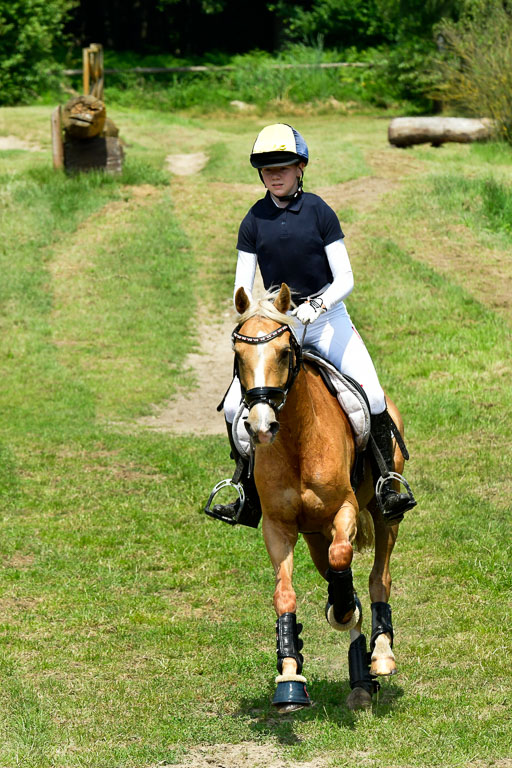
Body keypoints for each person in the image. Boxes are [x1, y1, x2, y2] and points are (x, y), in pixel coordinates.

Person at [206, 123, 416, 528]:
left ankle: (386, 484)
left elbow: (345, 278)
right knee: (234, 406)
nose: (275, 175)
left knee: (372, 395)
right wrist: (257, 311)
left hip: (327, 320)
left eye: (283, 167)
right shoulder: (253, 220)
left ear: (300, 167)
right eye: (268, 169)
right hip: (279, 325)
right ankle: (245, 491)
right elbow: (241, 285)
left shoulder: (319, 211)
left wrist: (317, 304)